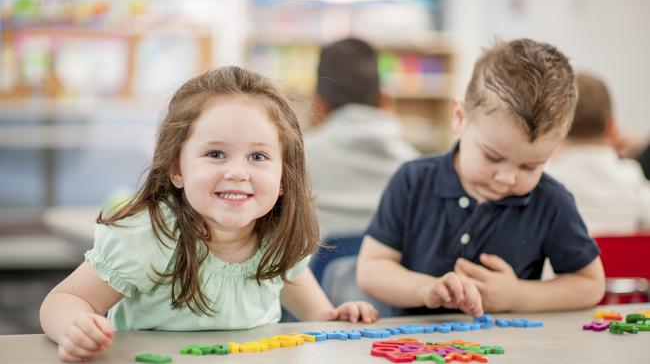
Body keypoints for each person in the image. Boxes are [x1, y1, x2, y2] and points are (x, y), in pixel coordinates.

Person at [39, 66, 378, 362]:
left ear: (284, 179)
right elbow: (64, 300)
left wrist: (339, 316)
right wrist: (75, 326)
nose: (237, 172)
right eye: (216, 153)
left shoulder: (277, 238)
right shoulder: (149, 236)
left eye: (258, 157)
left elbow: (318, 318)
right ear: (177, 169)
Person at [356, 39, 605, 317]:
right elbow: (371, 268)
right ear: (460, 117)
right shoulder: (412, 181)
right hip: (410, 352)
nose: (507, 178)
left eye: (530, 166)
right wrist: (425, 289)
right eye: (493, 157)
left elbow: (591, 284)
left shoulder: (551, 201)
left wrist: (518, 296)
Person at [305, 38, 419, 282]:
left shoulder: (295, 160)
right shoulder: (415, 167)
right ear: (385, 100)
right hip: (392, 305)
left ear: (318, 104)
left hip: (311, 305)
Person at [546, 73, 650, 235]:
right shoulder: (630, 176)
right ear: (612, 126)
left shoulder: (547, 176)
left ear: (558, 127)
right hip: (619, 260)